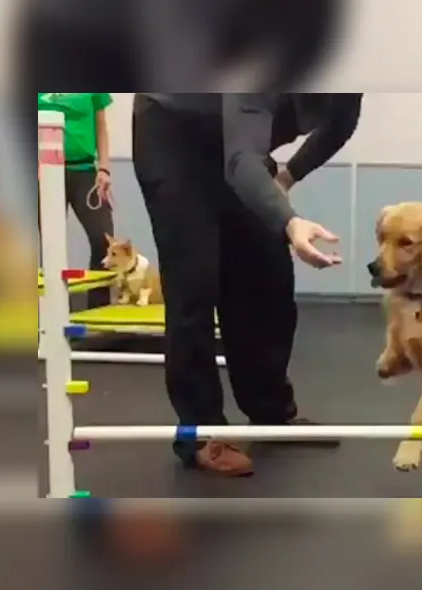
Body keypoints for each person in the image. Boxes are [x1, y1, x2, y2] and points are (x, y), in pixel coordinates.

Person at [132, 93, 362, 476]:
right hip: (174, 133)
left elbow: (340, 124)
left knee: (268, 272)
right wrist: (289, 220)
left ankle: (271, 414)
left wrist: (287, 178)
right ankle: (202, 432)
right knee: (195, 280)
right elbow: (240, 160)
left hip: (244, 143)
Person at [37, 93, 115, 307]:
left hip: (85, 171)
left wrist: (105, 168)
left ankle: (99, 309)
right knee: (50, 244)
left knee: (103, 238)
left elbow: (101, 126)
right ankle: (51, 312)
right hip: (46, 171)